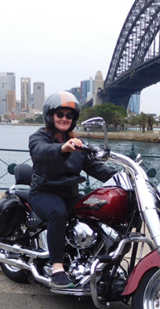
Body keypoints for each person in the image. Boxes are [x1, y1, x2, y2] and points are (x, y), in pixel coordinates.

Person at [28, 91, 115, 288]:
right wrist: (62, 149)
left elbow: (96, 168)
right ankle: (57, 267)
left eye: (69, 115)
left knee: (100, 206)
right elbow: (40, 151)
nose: (64, 119)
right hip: (43, 193)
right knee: (58, 212)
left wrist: (123, 177)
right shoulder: (39, 138)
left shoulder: (78, 144)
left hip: (71, 195)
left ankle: (98, 256)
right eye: (60, 114)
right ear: (50, 116)